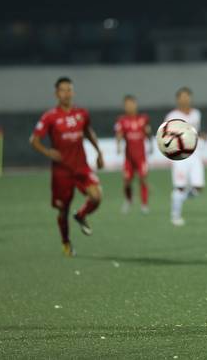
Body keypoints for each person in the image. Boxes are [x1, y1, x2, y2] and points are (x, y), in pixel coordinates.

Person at [30, 77, 104, 257]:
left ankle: (80, 215)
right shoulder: (50, 116)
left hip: (81, 167)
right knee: (63, 210)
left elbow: (88, 132)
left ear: (73, 92)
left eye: (69, 89)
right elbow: (34, 140)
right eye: (62, 90)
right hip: (61, 171)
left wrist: (99, 151)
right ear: (56, 93)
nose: (66, 93)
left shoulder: (82, 113)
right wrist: (48, 152)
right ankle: (66, 242)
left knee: (96, 196)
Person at [165, 87, 205, 226]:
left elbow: (196, 131)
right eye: (182, 97)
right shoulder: (171, 116)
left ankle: (178, 198)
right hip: (180, 156)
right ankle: (175, 216)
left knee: (198, 188)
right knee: (180, 186)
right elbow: (166, 137)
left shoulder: (196, 114)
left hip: (195, 155)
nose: (185, 99)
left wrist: (202, 135)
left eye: (187, 96)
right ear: (177, 99)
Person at [115, 95, 152, 214]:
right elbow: (119, 134)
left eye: (132, 104)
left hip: (141, 157)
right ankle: (128, 200)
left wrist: (151, 143)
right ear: (124, 106)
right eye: (127, 105)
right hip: (129, 158)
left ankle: (144, 205)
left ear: (136, 104)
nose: (130, 107)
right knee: (126, 181)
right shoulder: (122, 120)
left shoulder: (144, 118)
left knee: (143, 179)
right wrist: (118, 145)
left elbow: (148, 132)